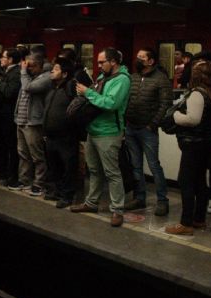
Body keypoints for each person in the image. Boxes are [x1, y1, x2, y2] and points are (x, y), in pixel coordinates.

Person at [71, 48, 132, 227]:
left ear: (113, 61)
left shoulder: (122, 80)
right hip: (93, 129)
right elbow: (94, 97)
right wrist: (83, 92)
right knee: (94, 170)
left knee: (112, 173)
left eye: (101, 62)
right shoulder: (101, 77)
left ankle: (117, 210)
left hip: (109, 132)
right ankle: (91, 203)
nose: (98, 66)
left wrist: (88, 93)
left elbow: (111, 103)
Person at [165, 60, 211, 235]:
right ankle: (199, 219)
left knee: (186, 181)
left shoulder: (197, 94)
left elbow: (192, 119)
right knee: (200, 182)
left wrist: (174, 115)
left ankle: (186, 223)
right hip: (207, 143)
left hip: (193, 144)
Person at [123, 47, 172, 216]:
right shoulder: (133, 77)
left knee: (154, 166)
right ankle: (139, 198)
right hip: (131, 127)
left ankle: (162, 201)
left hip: (147, 129)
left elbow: (165, 104)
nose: (138, 60)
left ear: (151, 61)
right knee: (136, 166)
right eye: (137, 57)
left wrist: (153, 124)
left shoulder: (161, 79)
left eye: (141, 58)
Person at [10, 52, 52, 196]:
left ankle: (39, 184)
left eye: (32, 66)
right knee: (23, 153)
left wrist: (23, 72)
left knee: (37, 155)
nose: (28, 69)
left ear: (40, 66)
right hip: (21, 120)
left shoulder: (46, 77)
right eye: (27, 66)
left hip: (33, 122)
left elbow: (29, 88)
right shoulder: (29, 76)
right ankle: (24, 181)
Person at [43, 58, 79, 208]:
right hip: (51, 135)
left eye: (56, 69)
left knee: (68, 167)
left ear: (64, 74)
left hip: (66, 136)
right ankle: (56, 191)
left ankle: (67, 196)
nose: (52, 71)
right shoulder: (53, 88)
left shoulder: (70, 87)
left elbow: (76, 110)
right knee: (54, 166)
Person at [0, 48, 22, 183]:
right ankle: (3, 171)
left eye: (4, 57)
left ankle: (11, 176)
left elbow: (9, 92)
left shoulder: (16, 73)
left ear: (11, 59)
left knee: (11, 146)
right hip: (2, 115)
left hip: (9, 115)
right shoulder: (7, 72)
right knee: (2, 144)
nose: (1, 59)